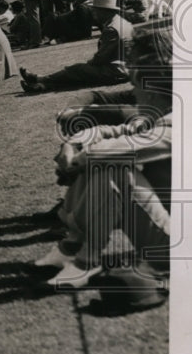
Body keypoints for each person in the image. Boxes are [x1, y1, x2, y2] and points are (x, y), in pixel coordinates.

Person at [37, 29, 171, 304]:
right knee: (106, 158)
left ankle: (85, 257)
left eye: (136, 84)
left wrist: (79, 159)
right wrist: (73, 144)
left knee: (113, 165)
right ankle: (74, 249)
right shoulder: (159, 115)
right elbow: (112, 132)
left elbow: (123, 147)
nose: (133, 92)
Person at [20, 0, 133, 93]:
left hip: (117, 71)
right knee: (79, 76)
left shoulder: (111, 29)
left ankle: (41, 79)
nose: (93, 13)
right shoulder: (121, 22)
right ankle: (41, 85)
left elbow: (100, 58)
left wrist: (87, 65)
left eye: (96, 10)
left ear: (104, 11)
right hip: (125, 67)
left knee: (77, 70)